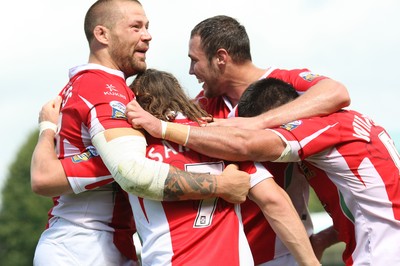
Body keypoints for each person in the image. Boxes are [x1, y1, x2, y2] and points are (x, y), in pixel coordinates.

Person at [30, 2, 249, 265]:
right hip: (83, 247)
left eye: (147, 27)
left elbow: (46, 176)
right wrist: (222, 185)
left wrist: (47, 129)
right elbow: (133, 173)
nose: (147, 35)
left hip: (102, 245)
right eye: (136, 27)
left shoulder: (89, 86)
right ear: (102, 35)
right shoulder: (102, 88)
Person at [35, 69, 320, 265]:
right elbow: (275, 201)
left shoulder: (131, 150)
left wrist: (48, 128)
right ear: (180, 96)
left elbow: (46, 177)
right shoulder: (219, 142)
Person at [129, 15, 350, 265]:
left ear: (221, 58)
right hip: (232, 253)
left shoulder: (282, 81)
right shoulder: (200, 109)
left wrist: (258, 123)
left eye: (195, 61)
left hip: (285, 250)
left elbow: (337, 93)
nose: (190, 71)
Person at [130, 77, 400, 265]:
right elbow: (369, 207)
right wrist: (321, 240)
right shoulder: (357, 121)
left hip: (381, 254)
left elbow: (245, 144)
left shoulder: (321, 128)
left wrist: (163, 129)